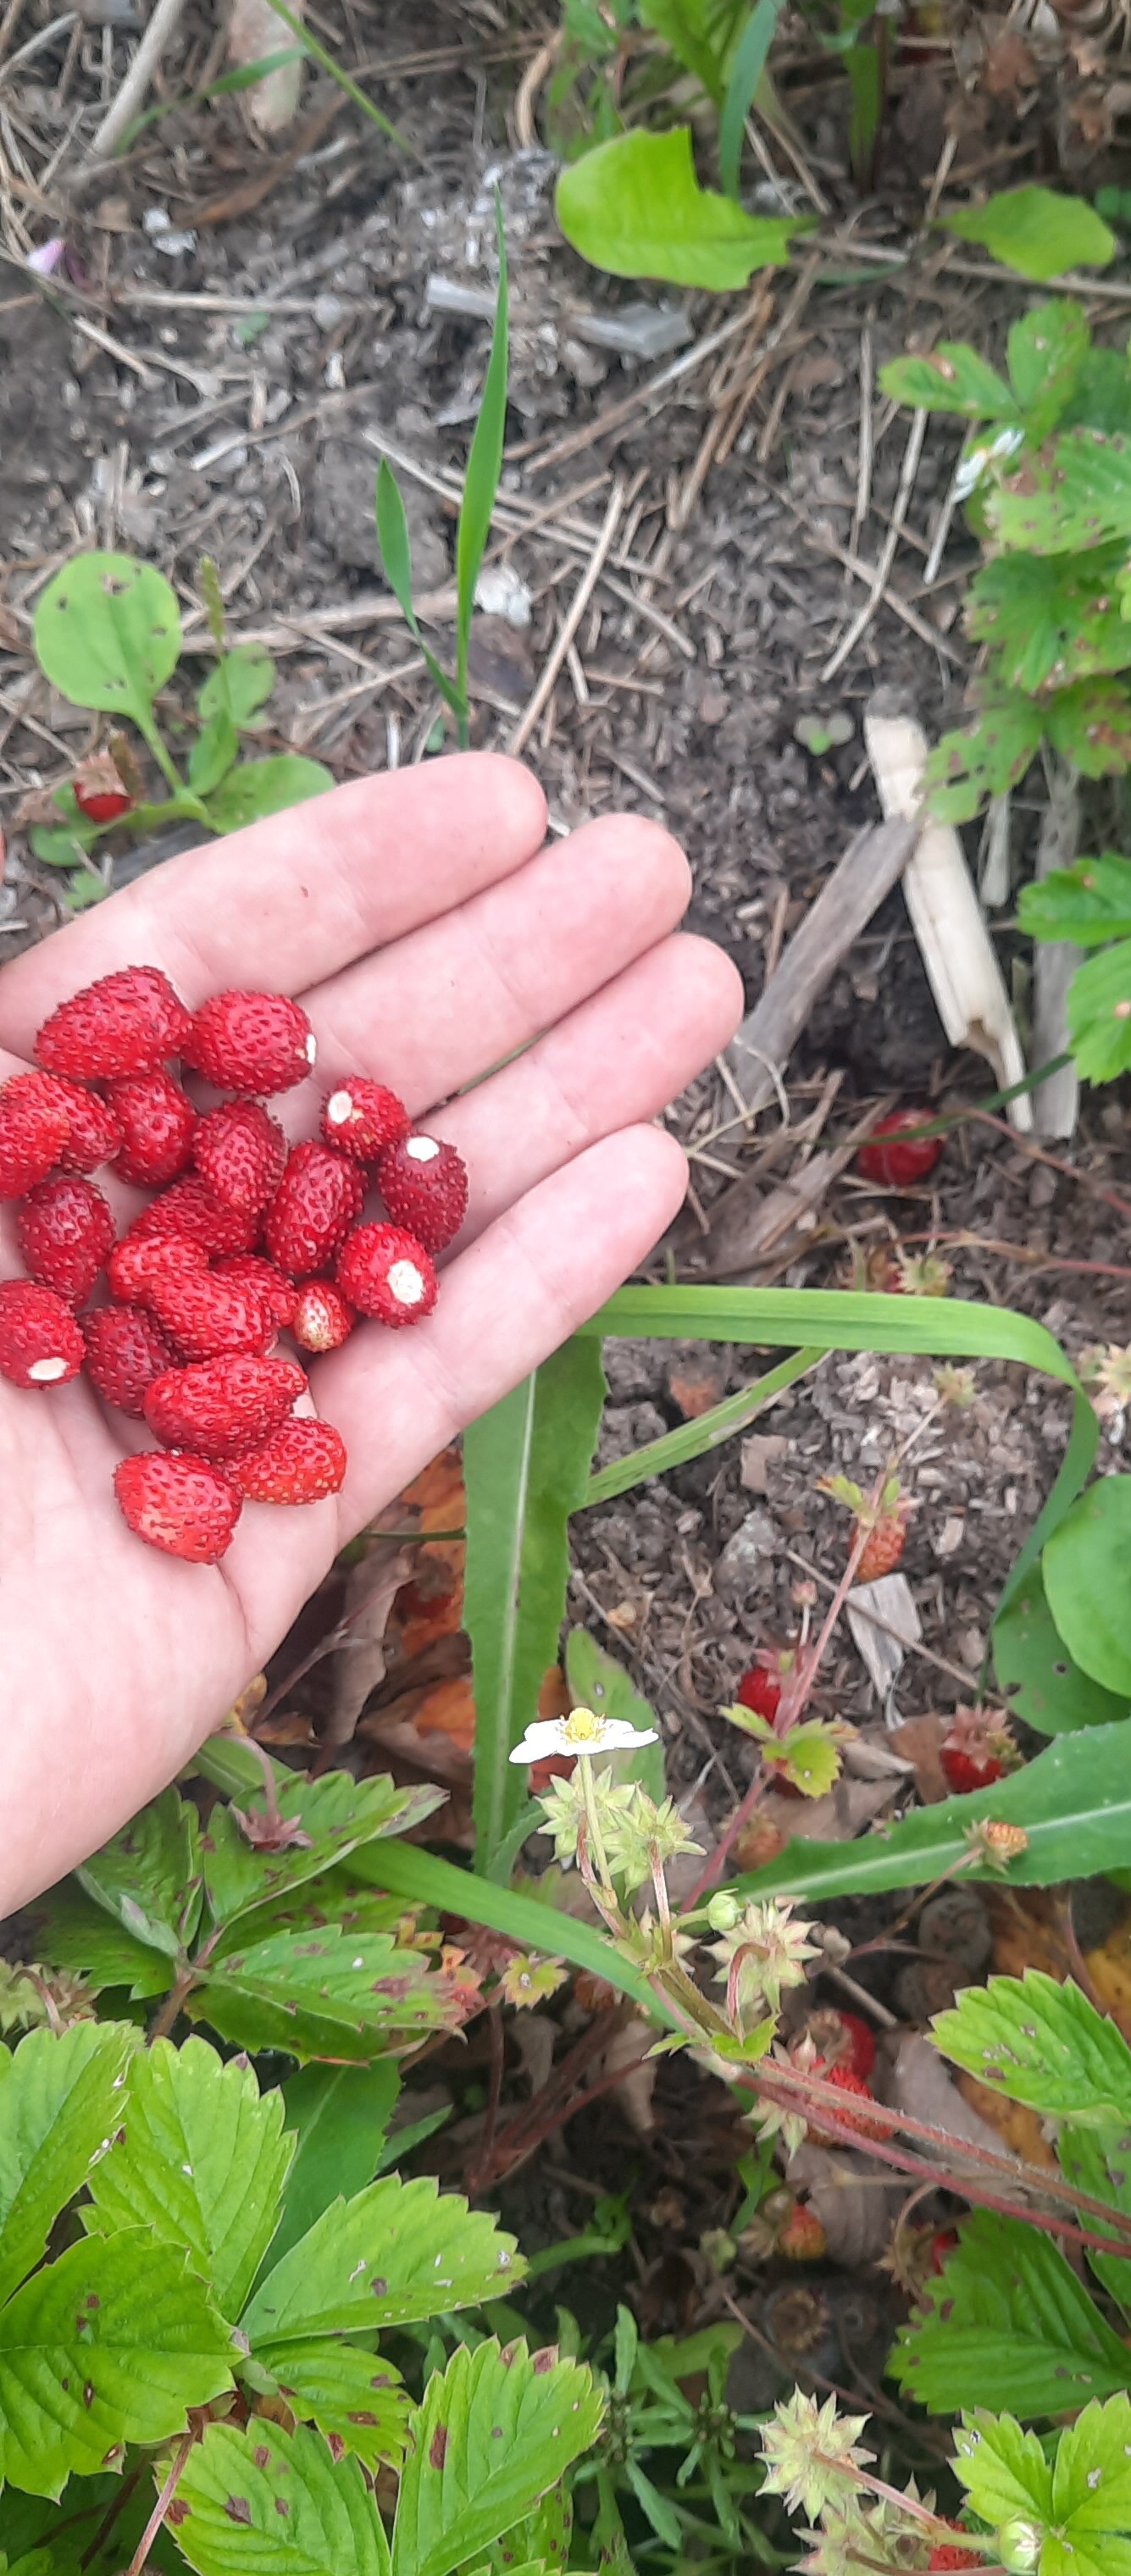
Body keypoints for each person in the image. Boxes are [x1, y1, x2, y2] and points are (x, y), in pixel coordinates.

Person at [0, 754, 742, 1915]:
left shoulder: (228, 1235)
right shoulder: (134, 1250)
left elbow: (202, 1254)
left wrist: (211, 1285)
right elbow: (150, 1238)